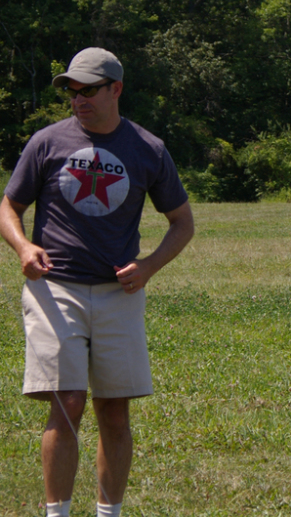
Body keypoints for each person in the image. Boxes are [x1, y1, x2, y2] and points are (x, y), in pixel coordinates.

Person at [0, 47, 194, 517]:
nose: (77, 98)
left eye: (88, 89)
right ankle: (57, 513)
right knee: (67, 402)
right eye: (71, 89)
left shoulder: (148, 149)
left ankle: (110, 513)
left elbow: (182, 222)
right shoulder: (47, 143)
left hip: (118, 295)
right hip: (56, 288)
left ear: (116, 90)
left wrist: (148, 266)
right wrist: (24, 249)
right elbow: (9, 207)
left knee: (114, 410)